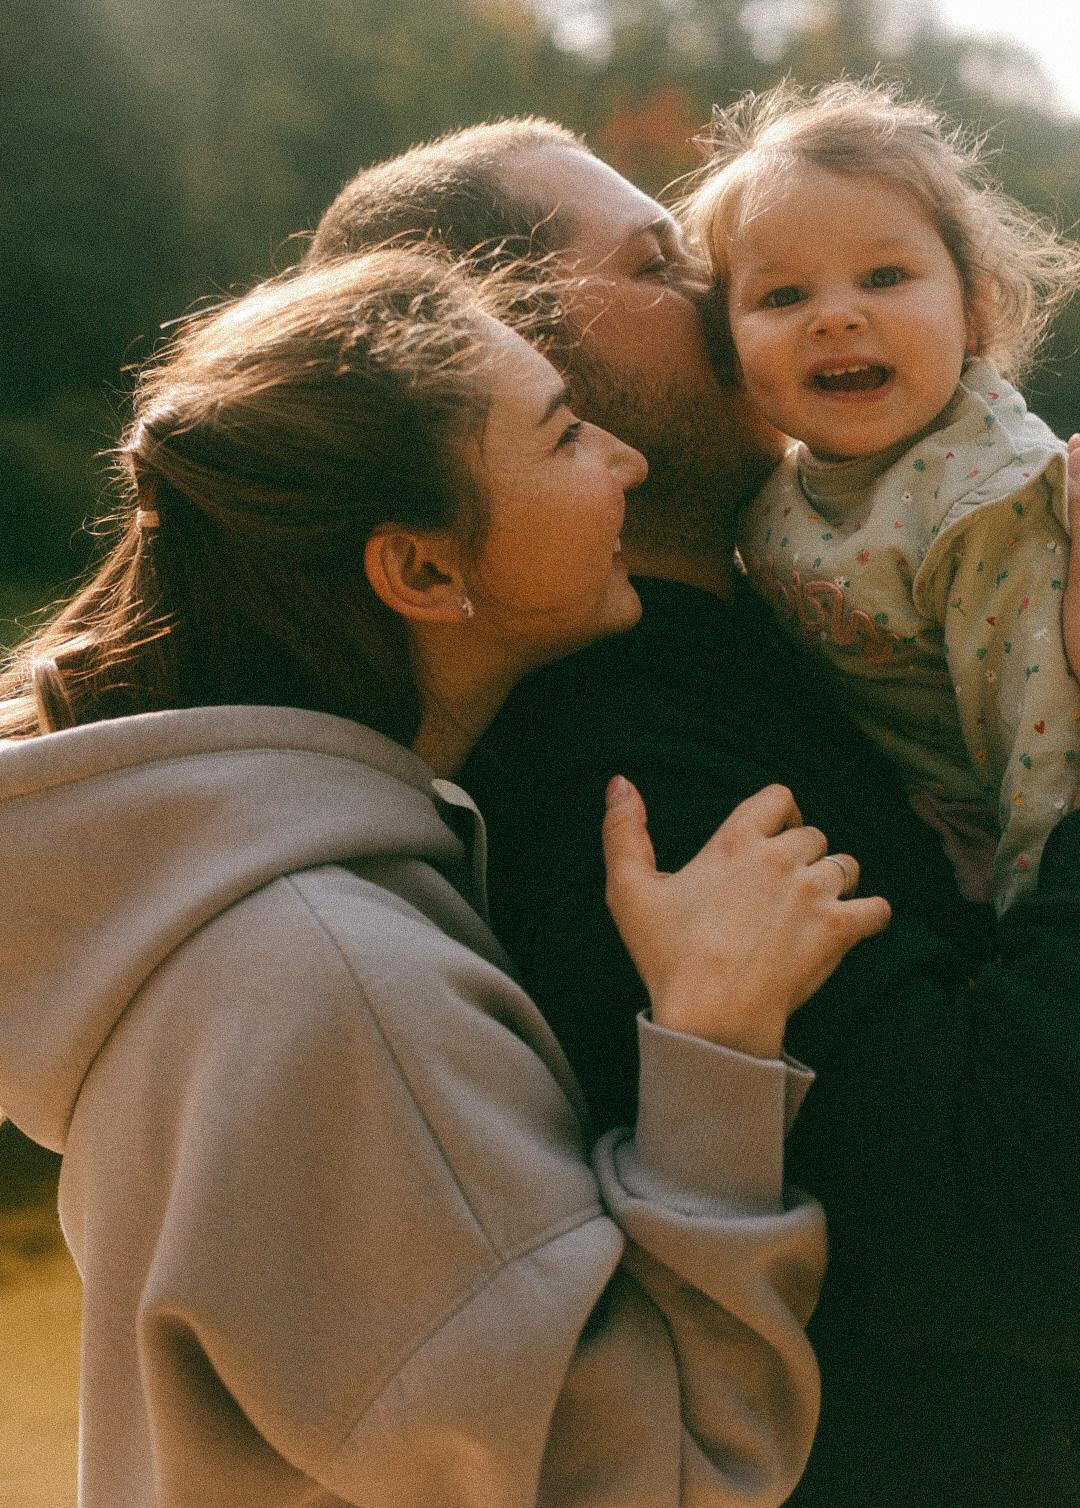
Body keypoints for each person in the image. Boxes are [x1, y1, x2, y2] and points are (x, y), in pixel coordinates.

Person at [0, 248, 885, 1507]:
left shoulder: (223, 912)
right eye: (567, 434)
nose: (626, 461)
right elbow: (664, 1478)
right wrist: (715, 1042)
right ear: (423, 571)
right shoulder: (337, 980)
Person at [309, 121, 1080, 1507]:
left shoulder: (811, 630)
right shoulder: (629, 767)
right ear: (512, 353)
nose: (737, 287)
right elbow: (1013, 1218)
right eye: (669, 264)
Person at [684, 79, 1080, 910]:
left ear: (974, 309)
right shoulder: (774, 479)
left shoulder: (988, 504)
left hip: (1001, 847)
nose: (836, 318)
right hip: (884, 821)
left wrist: (1030, 931)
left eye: (885, 276)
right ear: (727, 342)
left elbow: (1040, 743)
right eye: (783, 296)